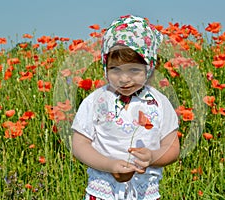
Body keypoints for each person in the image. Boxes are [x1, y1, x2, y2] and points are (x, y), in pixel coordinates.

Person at [71, 15, 180, 200]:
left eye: (134, 70)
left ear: (150, 68)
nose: (124, 79)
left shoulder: (159, 103)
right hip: (102, 192)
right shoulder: (95, 101)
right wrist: (109, 165)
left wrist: (152, 157)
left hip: (145, 194)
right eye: (115, 69)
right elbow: (79, 144)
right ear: (105, 66)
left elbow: (172, 148)